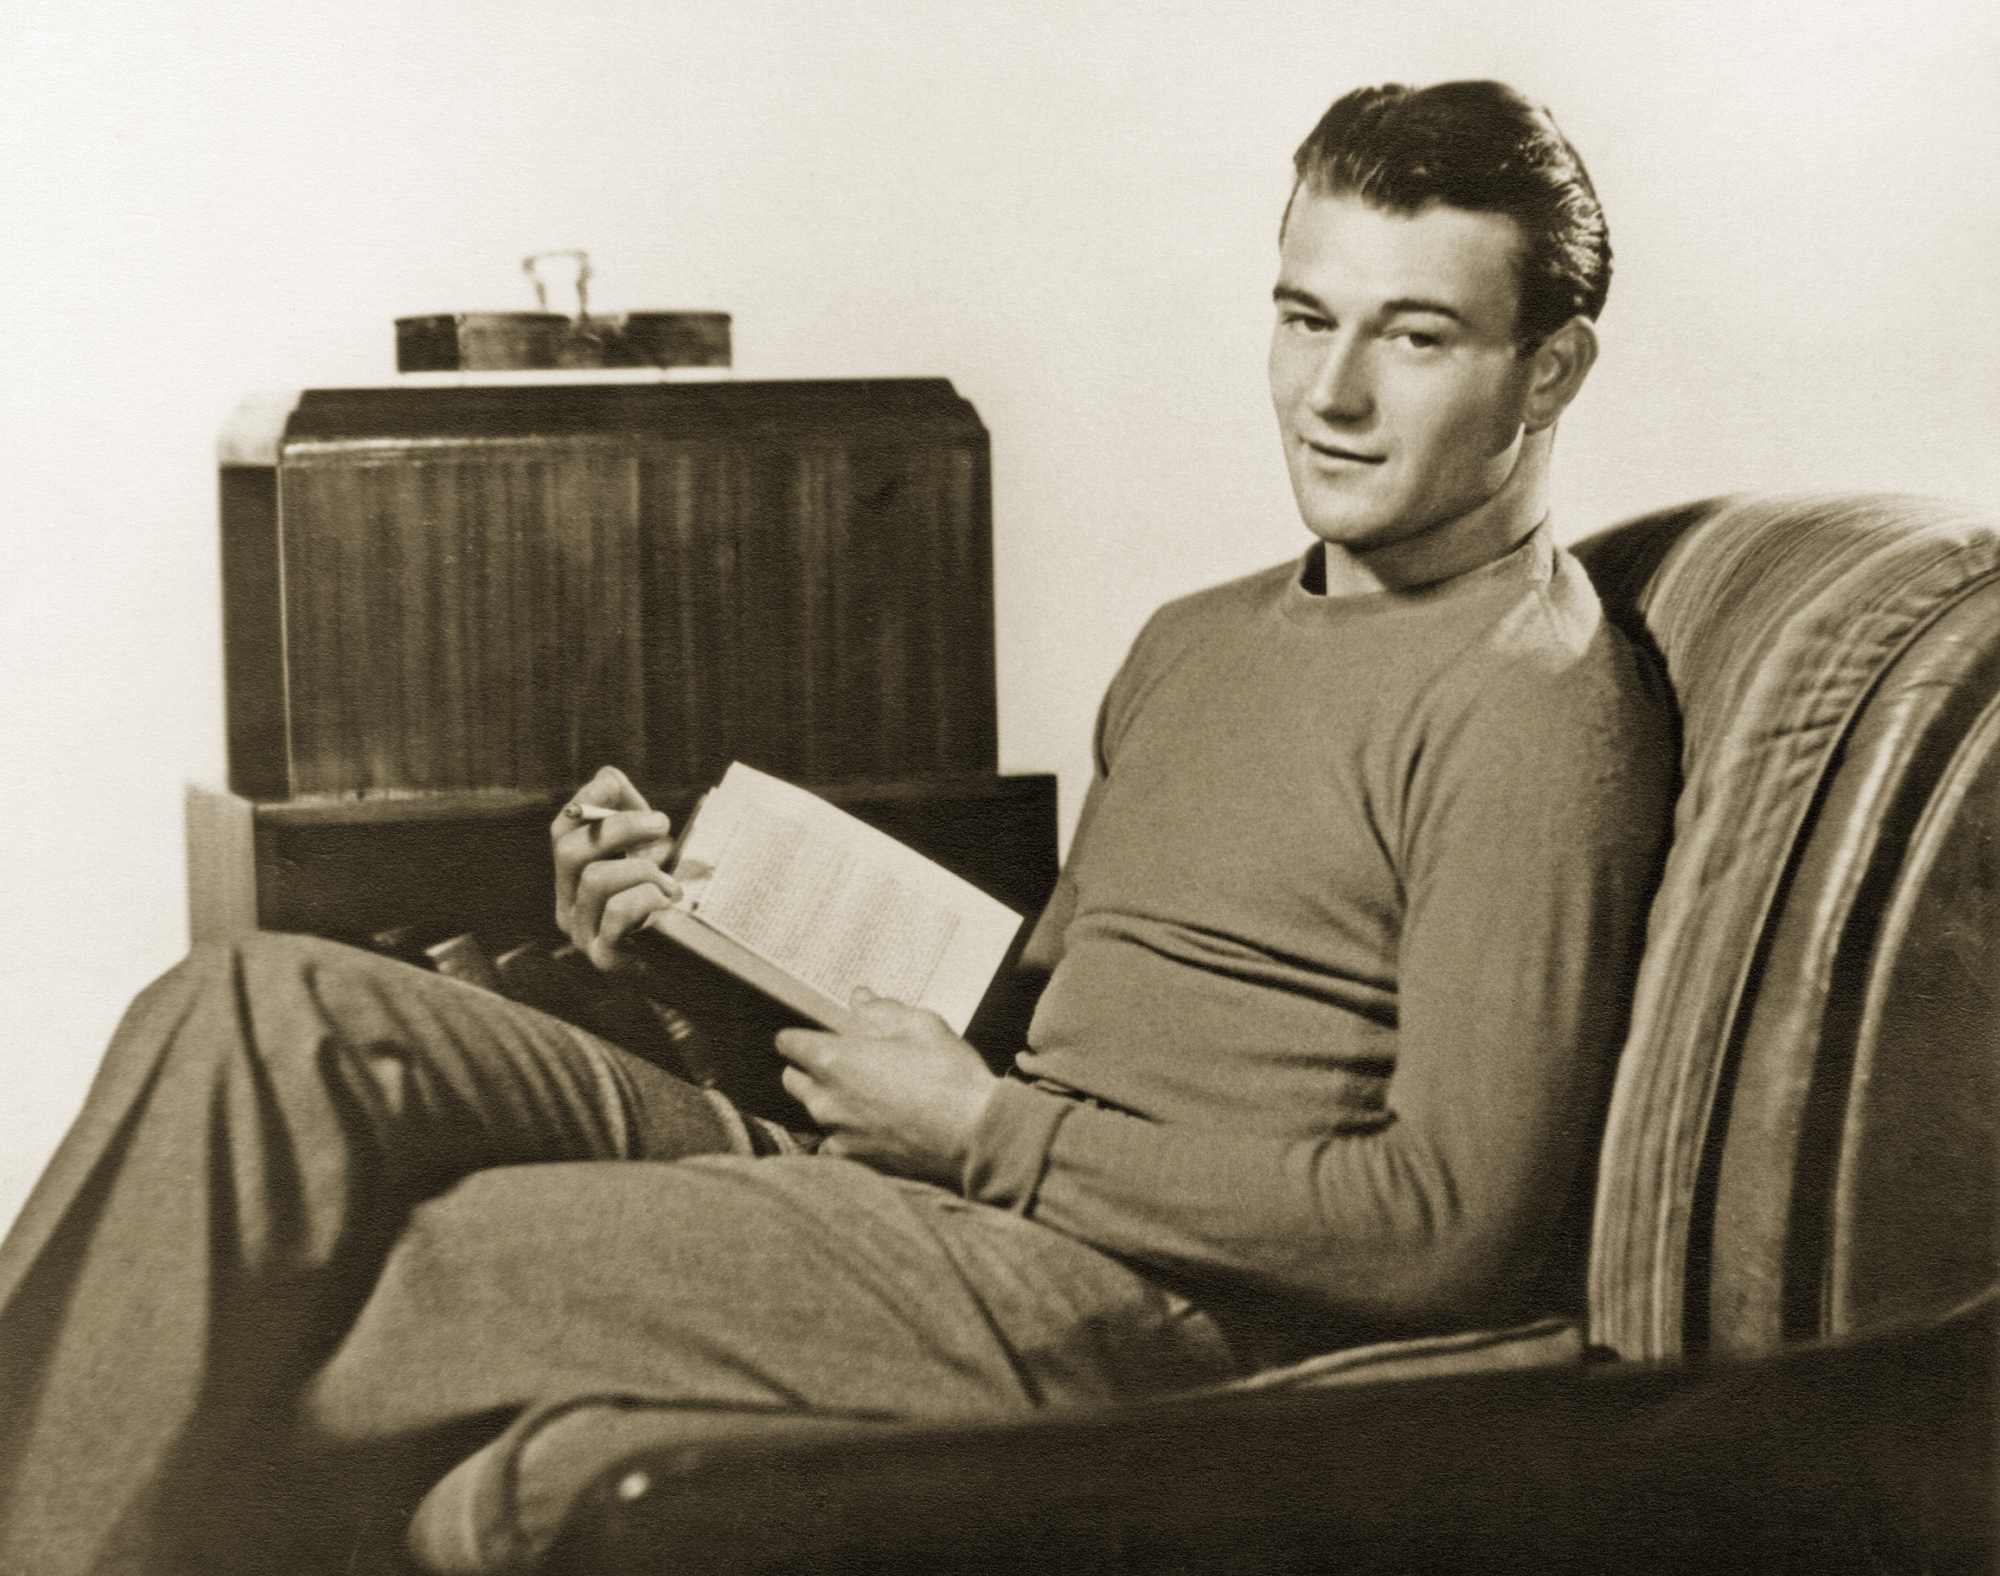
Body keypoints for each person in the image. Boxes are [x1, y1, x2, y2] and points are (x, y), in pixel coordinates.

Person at [0, 79, 1676, 1574]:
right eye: (1306, 319)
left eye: (1417, 336)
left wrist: (990, 1142)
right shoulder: (1198, 640)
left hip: (1131, 1309)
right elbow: (1037, 1031)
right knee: (253, 1015)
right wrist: (671, 954)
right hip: (952, 1197)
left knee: (329, 1253)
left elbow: (1451, 1229)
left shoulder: (1531, 704)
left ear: (1552, 368)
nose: (1335, 394)